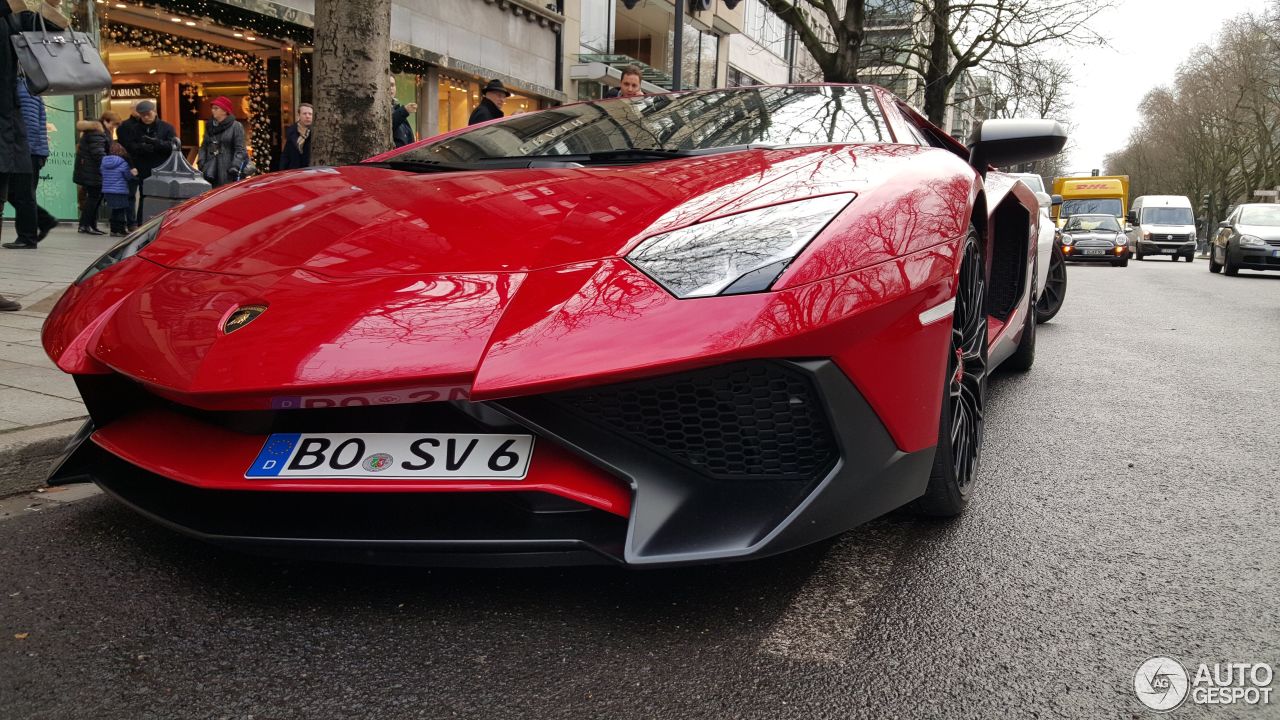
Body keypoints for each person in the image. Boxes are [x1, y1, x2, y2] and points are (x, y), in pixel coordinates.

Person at [1, 82, 54, 248]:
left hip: (27, 151)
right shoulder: (26, 87)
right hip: (28, 151)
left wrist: (24, 151)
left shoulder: (21, 89)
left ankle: (28, 237)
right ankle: (43, 222)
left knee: (22, 194)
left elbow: (29, 125)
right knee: (18, 193)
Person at [117, 100, 177, 230]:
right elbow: (129, 147)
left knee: (161, 196)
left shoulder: (166, 127)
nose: (146, 117)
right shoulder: (134, 129)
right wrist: (142, 147)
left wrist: (157, 143)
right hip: (142, 167)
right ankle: (142, 225)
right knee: (144, 196)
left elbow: (173, 146)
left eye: (148, 114)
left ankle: (162, 224)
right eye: (142, 115)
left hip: (161, 168)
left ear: (154, 112)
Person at [196, 96, 248, 188]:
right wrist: (201, 163)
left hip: (228, 171)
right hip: (210, 169)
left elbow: (240, 149)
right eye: (212, 108)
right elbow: (203, 146)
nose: (213, 110)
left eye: (216, 108)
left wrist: (234, 167)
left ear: (225, 111)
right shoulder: (209, 126)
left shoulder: (236, 126)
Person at [72, 116, 111, 235]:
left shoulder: (88, 134)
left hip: (88, 171)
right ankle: (86, 225)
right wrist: (108, 166)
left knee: (94, 198)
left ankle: (90, 225)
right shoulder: (96, 134)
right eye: (113, 124)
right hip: (94, 172)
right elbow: (98, 154)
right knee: (94, 198)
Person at [100, 142, 136, 237]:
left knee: (114, 210)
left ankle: (113, 229)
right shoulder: (123, 162)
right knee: (120, 210)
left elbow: (101, 173)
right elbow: (127, 176)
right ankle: (120, 230)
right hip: (120, 190)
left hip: (107, 190)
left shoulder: (104, 162)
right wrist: (133, 174)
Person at [279, 102, 313, 169]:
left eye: (310, 114)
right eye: (304, 113)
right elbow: (286, 154)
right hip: (295, 171)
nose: (307, 116)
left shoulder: (316, 132)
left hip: (312, 171)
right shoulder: (292, 131)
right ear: (299, 115)